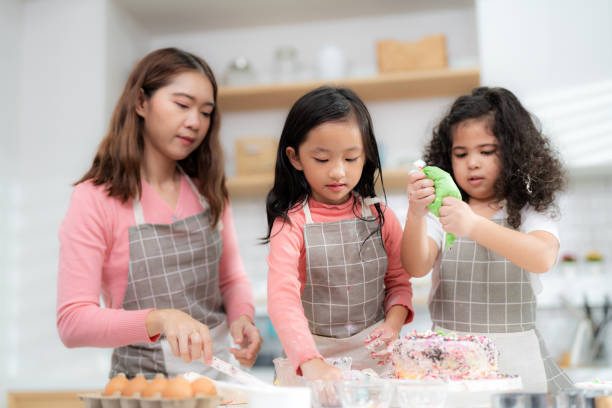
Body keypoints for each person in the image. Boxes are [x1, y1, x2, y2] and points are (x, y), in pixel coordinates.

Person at [56, 48, 262, 379]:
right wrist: (161, 319)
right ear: (141, 102)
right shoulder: (95, 198)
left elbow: (231, 277)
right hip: (143, 390)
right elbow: (73, 321)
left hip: (221, 384)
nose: (195, 122)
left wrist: (243, 317)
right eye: (182, 105)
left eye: (206, 112)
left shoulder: (209, 189)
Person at [402, 86, 573, 392]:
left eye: (486, 151)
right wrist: (415, 214)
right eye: (461, 153)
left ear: (513, 151)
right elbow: (415, 266)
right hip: (449, 366)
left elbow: (542, 257)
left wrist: (473, 226)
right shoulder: (444, 209)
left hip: (517, 363)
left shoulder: (530, 207)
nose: (473, 163)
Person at [265, 86, 414, 382]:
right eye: (322, 159)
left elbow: (399, 284)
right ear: (295, 158)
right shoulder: (291, 224)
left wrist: (393, 325)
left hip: (375, 361)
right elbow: (282, 298)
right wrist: (311, 362)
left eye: (350, 159)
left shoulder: (381, 216)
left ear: (366, 156)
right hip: (311, 357)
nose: (337, 172)